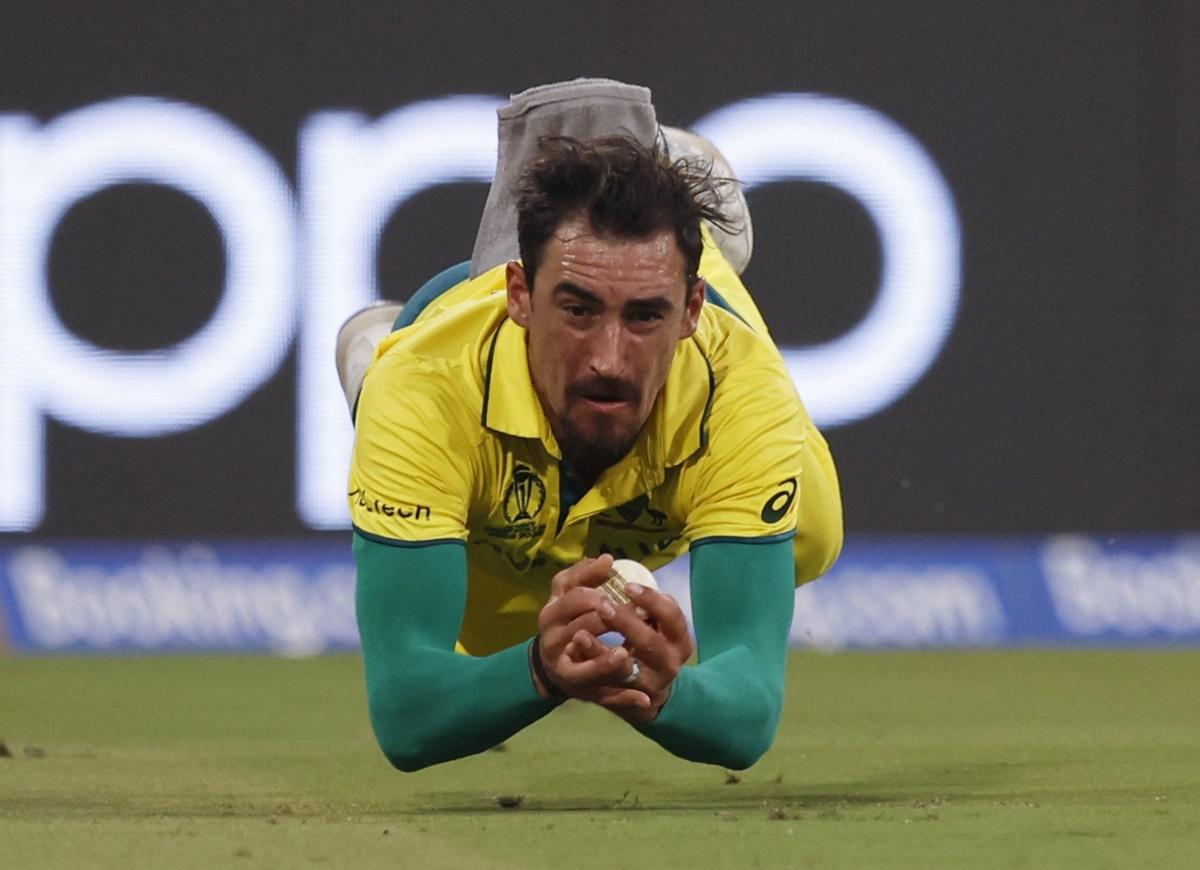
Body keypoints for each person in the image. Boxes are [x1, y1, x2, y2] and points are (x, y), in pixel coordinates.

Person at [343, 94, 842, 772]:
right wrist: (541, 672)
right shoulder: (427, 390)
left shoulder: (738, 391)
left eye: (645, 318)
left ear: (691, 310)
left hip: (709, 372)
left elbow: (747, 713)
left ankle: (682, 201)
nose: (609, 358)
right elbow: (407, 715)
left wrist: (669, 694)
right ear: (519, 295)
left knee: (814, 536)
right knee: (491, 650)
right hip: (450, 374)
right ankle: (378, 352)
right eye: (577, 311)